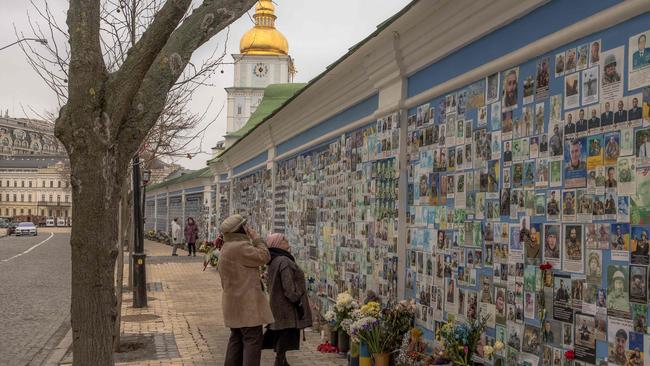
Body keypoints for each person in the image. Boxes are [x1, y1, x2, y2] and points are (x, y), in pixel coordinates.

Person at [219, 214, 274, 366]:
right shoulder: (241, 247)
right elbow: (264, 256)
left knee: (236, 340)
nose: (248, 228)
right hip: (247, 307)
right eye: (246, 225)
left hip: (232, 304)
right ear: (241, 229)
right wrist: (256, 238)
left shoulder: (226, 247)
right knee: (252, 340)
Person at [264, 233, 312, 366]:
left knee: (282, 336)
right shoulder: (284, 261)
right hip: (287, 308)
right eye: (284, 239)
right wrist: (297, 300)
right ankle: (280, 362)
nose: (287, 240)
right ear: (277, 243)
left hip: (278, 306)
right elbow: (289, 288)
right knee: (284, 336)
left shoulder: (275, 260)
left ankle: (282, 361)